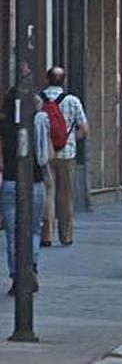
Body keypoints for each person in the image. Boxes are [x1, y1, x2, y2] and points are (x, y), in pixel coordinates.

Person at [0, 88, 51, 295]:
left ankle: (16, 276)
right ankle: (32, 268)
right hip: (35, 182)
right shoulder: (38, 123)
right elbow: (47, 154)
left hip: (11, 182)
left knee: (13, 234)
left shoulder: (3, 126)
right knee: (33, 230)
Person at [40, 66, 89, 247]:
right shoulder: (73, 101)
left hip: (45, 154)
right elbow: (84, 129)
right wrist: (69, 140)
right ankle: (66, 236)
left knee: (48, 193)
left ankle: (47, 235)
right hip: (67, 154)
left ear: (47, 79)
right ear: (64, 81)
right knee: (66, 196)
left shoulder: (39, 99)